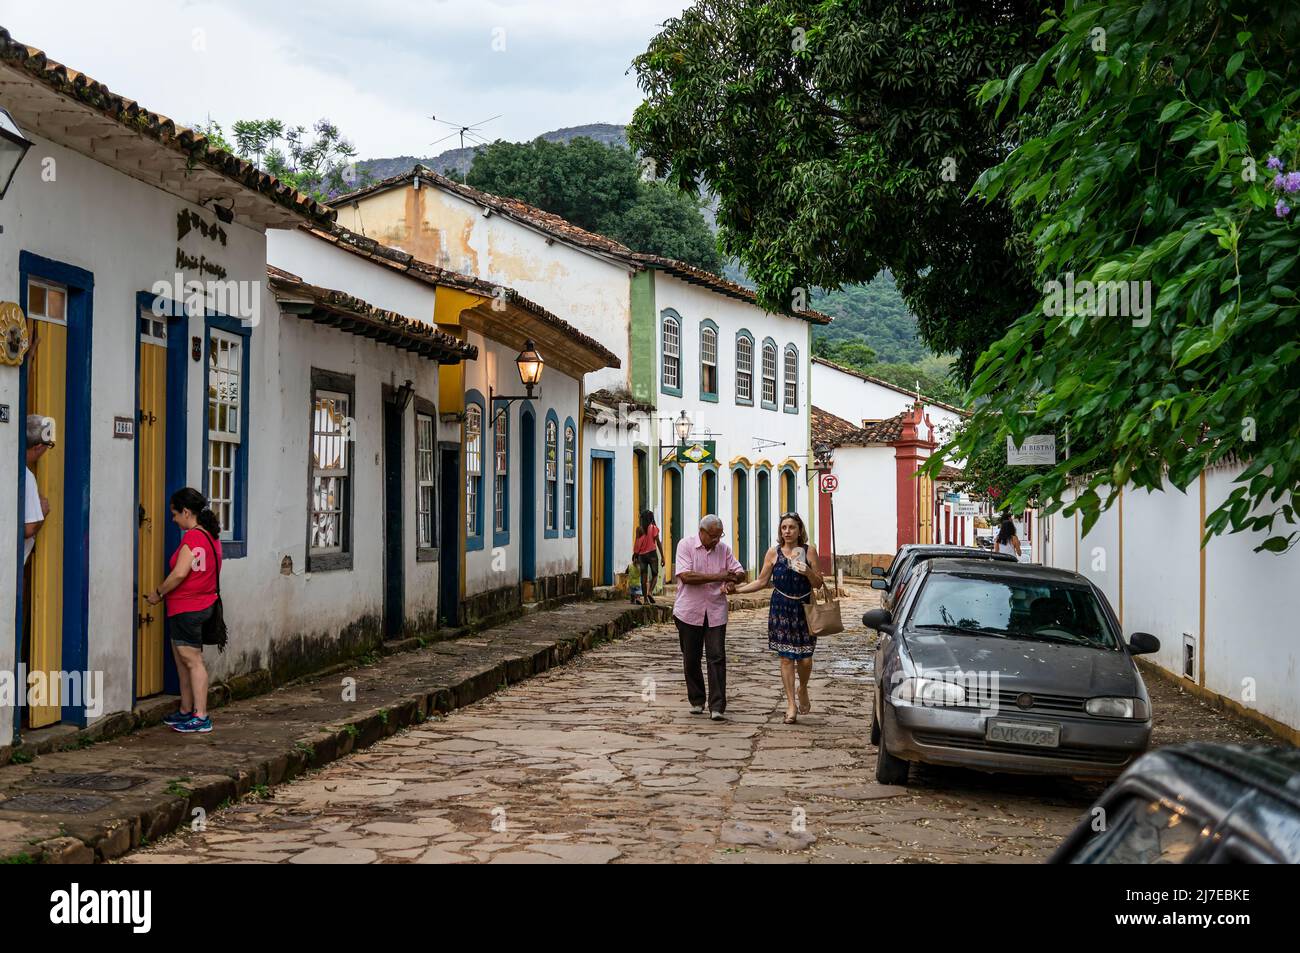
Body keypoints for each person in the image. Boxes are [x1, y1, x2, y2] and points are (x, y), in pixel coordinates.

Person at [735, 512, 824, 724]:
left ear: (799, 530)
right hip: (781, 608)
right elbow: (761, 581)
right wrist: (738, 591)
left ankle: (803, 688)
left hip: (804, 608)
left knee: (805, 658)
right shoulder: (773, 553)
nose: (787, 531)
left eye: (792, 527)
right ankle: (791, 704)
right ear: (780, 531)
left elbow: (818, 583)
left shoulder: (809, 551)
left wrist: (807, 573)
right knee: (786, 658)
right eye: (784, 527)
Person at [145, 487, 222, 733]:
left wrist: (158, 593)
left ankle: (201, 716)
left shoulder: (192, 537)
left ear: (187, 512)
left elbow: (180, 573)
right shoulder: (211, 536)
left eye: (174, 514)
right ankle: (186, 709)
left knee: (193, 661)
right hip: (201, 605)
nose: (173, 519)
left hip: (188, 608)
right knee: (182, 662)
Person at [673, 514, 745, 720]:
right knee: (691, 659)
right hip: (689, 611)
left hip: (715, 611)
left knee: (717, 657)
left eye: (719, 536)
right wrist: (721, 576)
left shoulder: (724, 550)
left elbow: (739, 572)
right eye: (712, 536)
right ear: (702, 532)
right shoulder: (685, 546)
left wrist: (733, 581)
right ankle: (696, 700)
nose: (716, 540)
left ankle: (717, 706)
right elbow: (686, 576)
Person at [23, 415, 53, 565]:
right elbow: (28, 529)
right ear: (38, 447)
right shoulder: (26, 477)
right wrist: (42, 512)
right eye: (49, 445)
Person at [632, 509, 664, 605]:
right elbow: (658, 543)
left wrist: (635, 554)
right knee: (655, 574)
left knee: (643, 577)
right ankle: (650, 592)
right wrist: (662, 556)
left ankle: (645, 600)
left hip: (642, 555)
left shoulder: (639, 529)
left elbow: (637, 543)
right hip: (652, 554)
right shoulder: (654, 528)